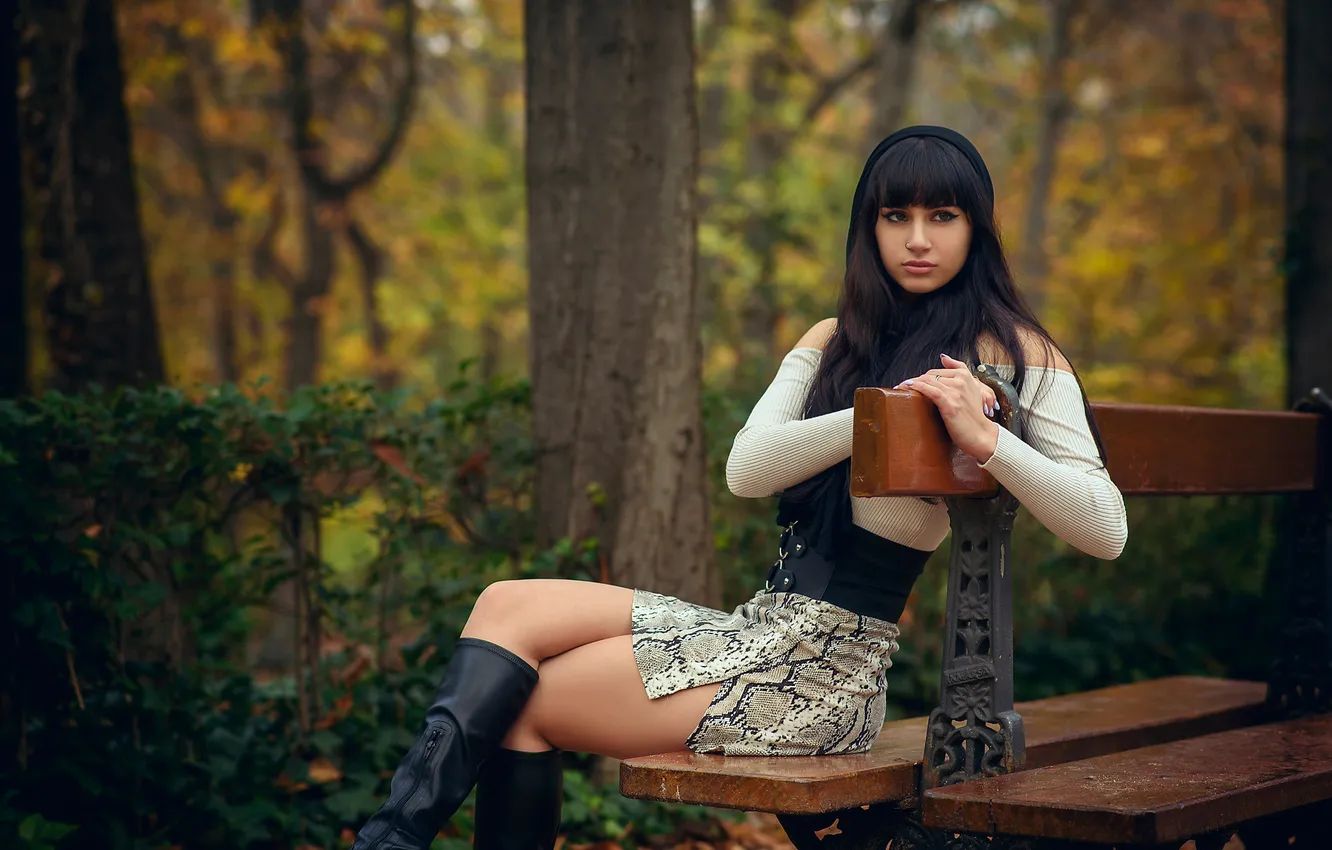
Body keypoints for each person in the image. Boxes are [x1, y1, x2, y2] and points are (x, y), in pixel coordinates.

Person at [347, 125, 1128, 850]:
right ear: (870, 226)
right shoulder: (835, 341)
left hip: (826, 676)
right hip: (759, 630)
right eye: (896, 216)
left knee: (524, 704)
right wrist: (883, 419)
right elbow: (746, 469)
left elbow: (1105, 527)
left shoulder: (1020, 354)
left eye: (943, 216)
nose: (917, 238)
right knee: (505, 603)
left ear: (977, 227)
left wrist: (987, 441)